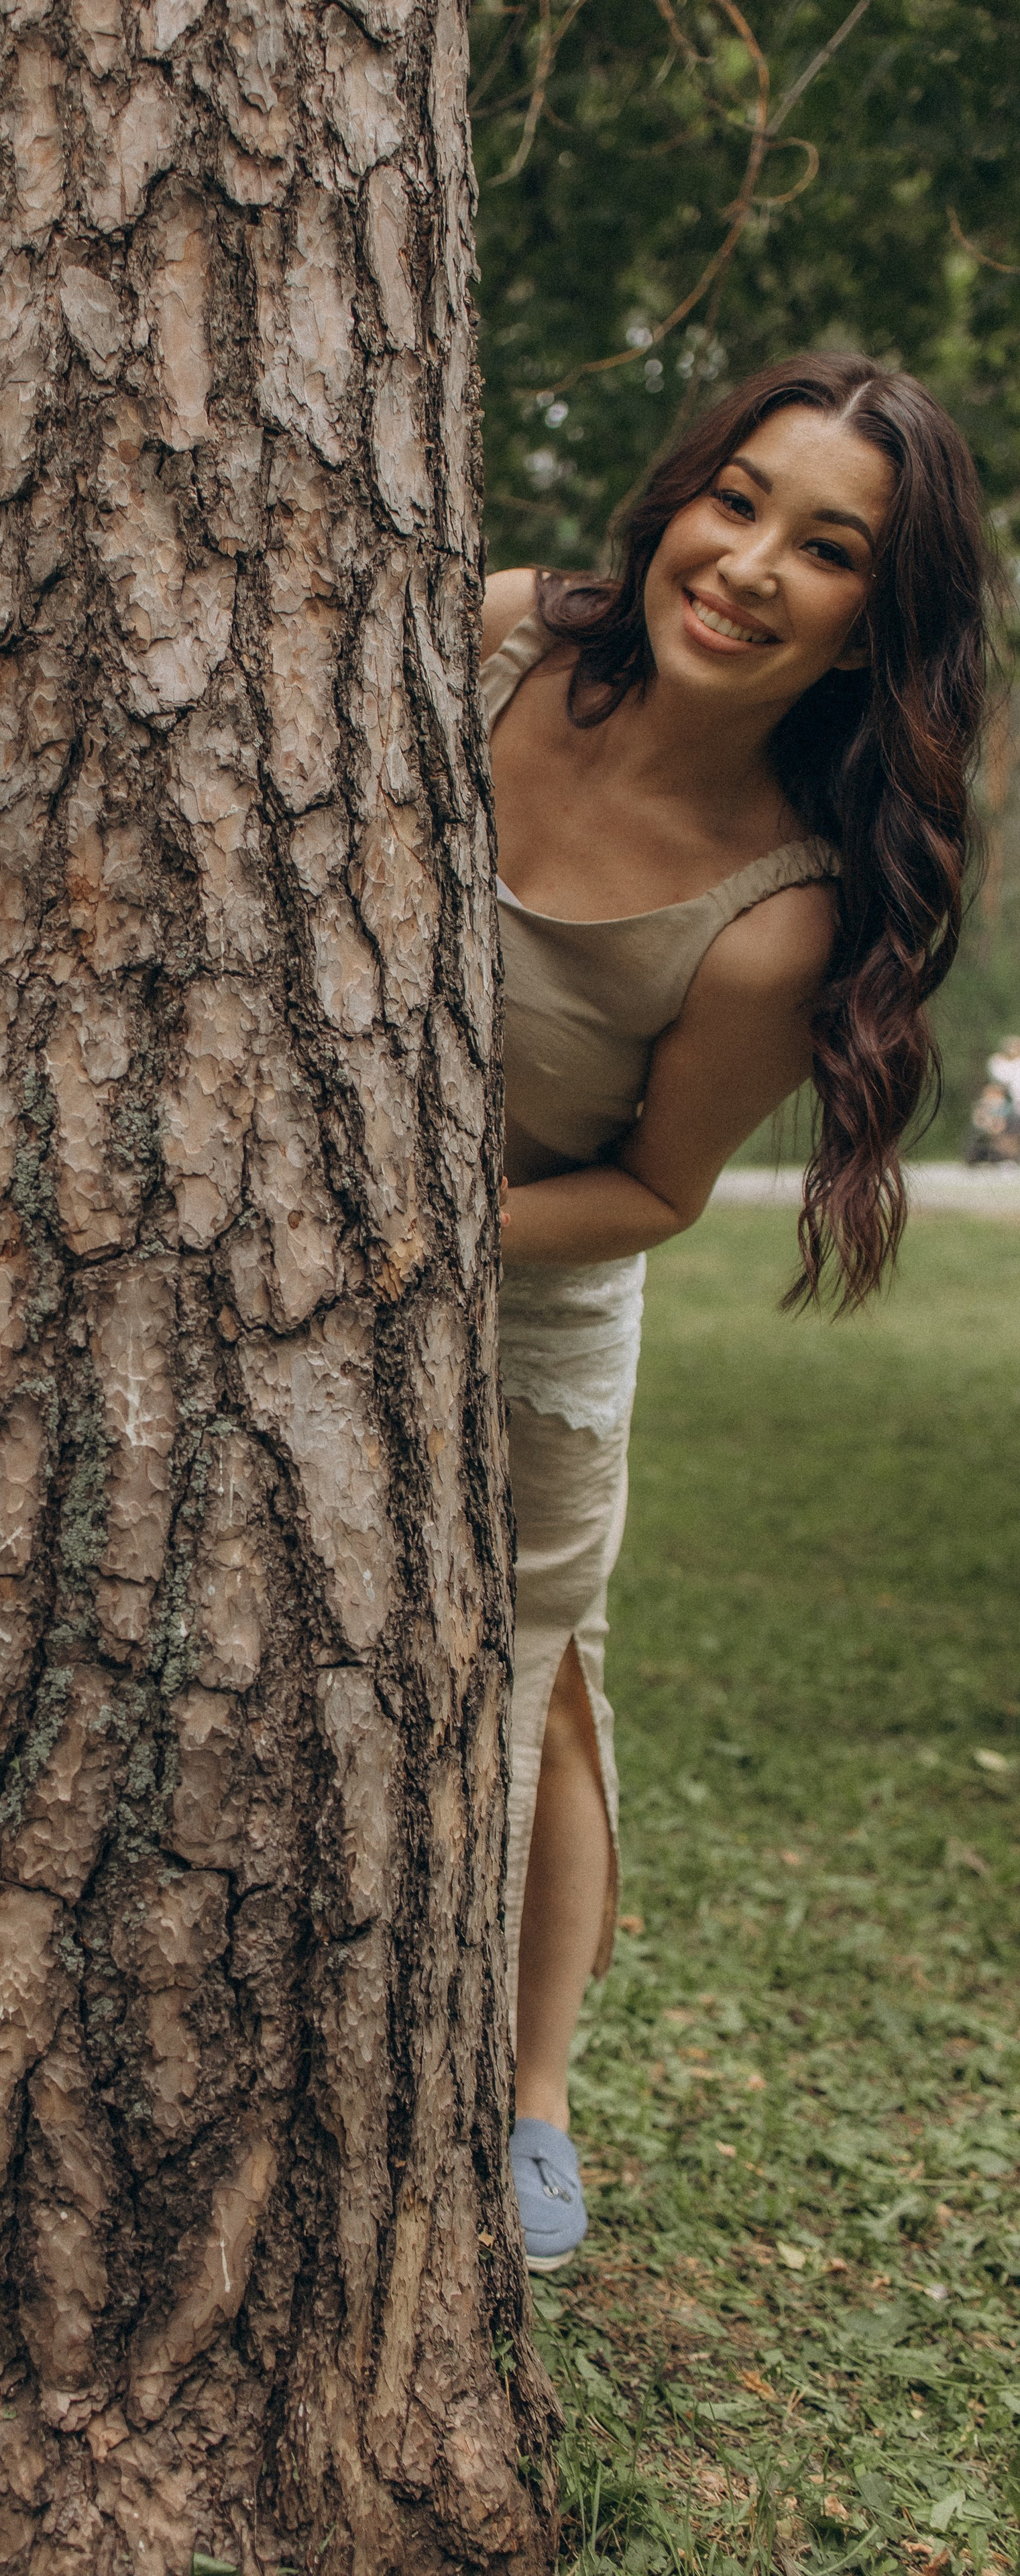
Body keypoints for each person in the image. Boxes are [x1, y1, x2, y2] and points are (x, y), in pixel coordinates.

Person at [485, 353, 999, 2270]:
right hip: (292, 1247)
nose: (751, 563)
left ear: (879, 623)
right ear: (679, 499)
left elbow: (654, 1196)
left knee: (529, 1697)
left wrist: (413, 1228)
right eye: (738, 500)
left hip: (529, 1299)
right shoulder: (509, 635)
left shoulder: (780, 913)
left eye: (830, 547)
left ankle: (534, 2101)